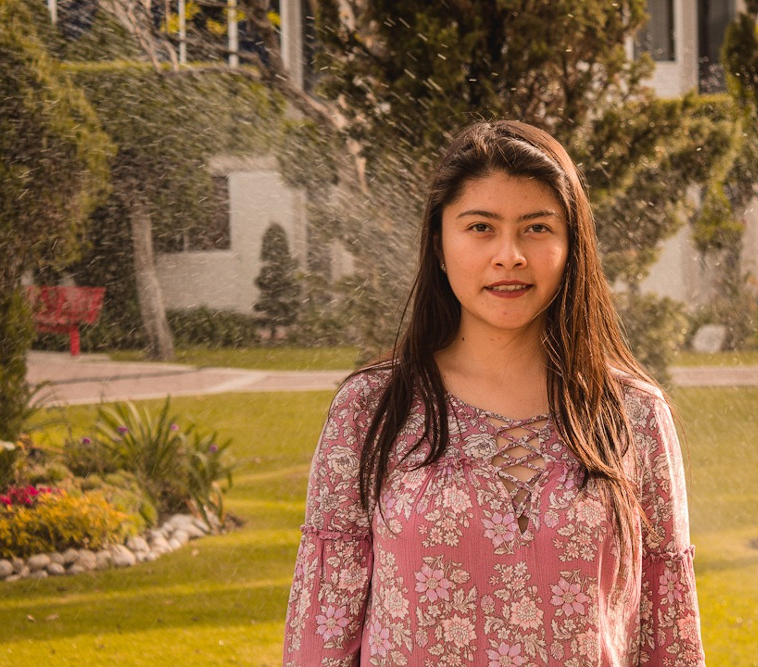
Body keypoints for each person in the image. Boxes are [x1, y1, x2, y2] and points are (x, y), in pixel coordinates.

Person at [284, 120, 704, 666]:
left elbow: (669, 634)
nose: (510, 255)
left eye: (537, 228)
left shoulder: (633, 415)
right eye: (481, 227)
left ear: (571, 247)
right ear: (439, 245)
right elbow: (321, 636)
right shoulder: (370, 410)